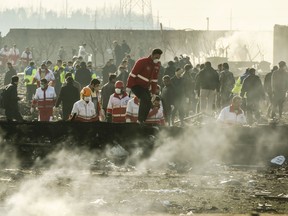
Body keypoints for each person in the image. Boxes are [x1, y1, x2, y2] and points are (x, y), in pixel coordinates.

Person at [126, 48, 163, 124]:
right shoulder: (142, 62)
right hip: (136, 85)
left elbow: (154, 80)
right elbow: (132, 75)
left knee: (149, 102)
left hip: (145, 87)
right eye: (156, 57)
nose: (157, 59)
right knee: (144, 98)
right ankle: (139, 120)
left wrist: (153, 93)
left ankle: (143, 120)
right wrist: (128, 87)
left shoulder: (157, 65)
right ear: (152, 55)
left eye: (158, 58)